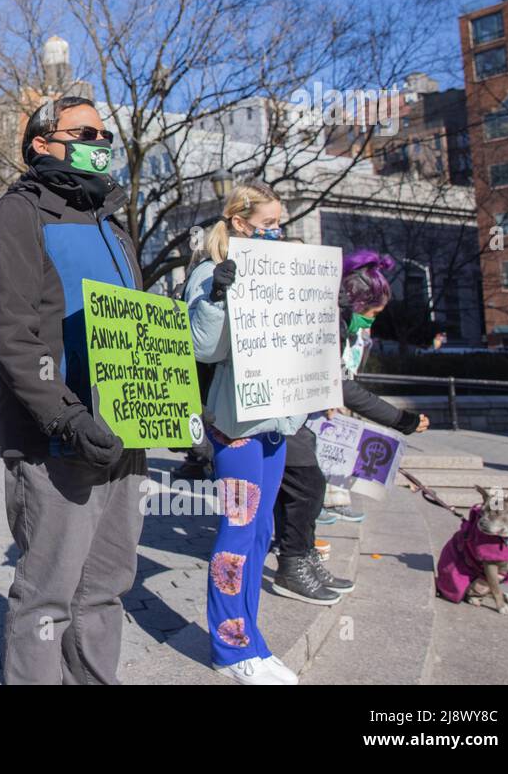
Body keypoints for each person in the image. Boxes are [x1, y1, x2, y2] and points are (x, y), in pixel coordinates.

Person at [0, 95, 147, 685]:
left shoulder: (114, 228)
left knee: (105, 592)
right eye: (86, 131)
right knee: (47, 598)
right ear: (42, 144)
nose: (101, 142)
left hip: (127, 439)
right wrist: (66, 419)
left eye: (105, 133)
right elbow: (9, 337)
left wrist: (178, 413)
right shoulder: (14, 218)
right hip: (55, 446)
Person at [184, 178, 305, 685]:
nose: (277, 232)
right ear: (239, 222)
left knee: (260, 532)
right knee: (237, 532)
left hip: (275, 424)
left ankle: (250, 637)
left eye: (280, 224)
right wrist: (216, 294)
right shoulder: (211, 272)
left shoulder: (275, 270)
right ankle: (230, 649)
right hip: (234, 428)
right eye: (269, 224)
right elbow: (202, 347)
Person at [272, 249, 429, 605]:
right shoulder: (332, 322)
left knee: (308, 487)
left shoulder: (336, 320)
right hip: (283, 413)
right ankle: (293, 564)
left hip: (297, 412)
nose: (371, 324)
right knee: (306, 486)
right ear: (357, 302)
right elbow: (342, 384)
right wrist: (401, 419)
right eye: (371, 315)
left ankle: (302, 557)